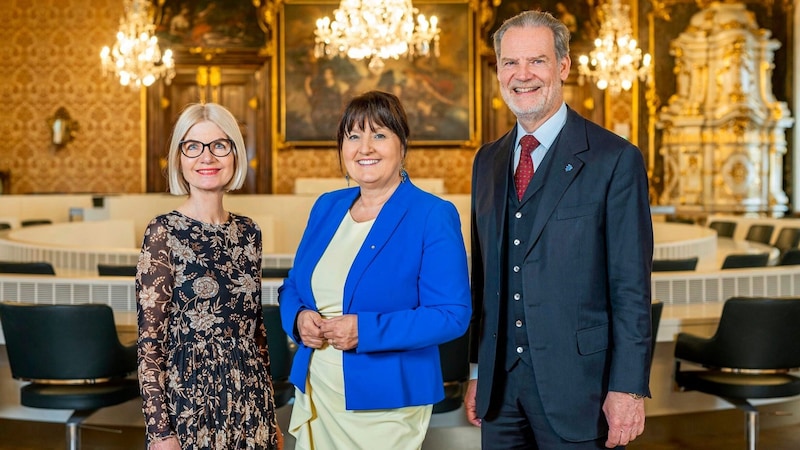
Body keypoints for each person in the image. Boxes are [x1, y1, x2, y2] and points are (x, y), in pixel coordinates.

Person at [465, 10, 654, 450]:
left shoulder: (614, 158)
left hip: (580, 388)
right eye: (510, 63)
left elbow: (631, 286)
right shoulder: (486, 161)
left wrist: (627, 389)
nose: (522, 75)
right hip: (500, 392)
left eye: (537, 61)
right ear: (498, 70)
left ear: (563, 66)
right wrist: (478, 370)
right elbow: (485, 280)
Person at [278, 90, 472, 450]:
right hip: (318, 389)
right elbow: (292, 285)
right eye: (353, 136)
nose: (365, 148)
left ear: (402, 145)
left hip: (387, 403)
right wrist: (299, 318)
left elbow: (452, 315)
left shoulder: (431, 214)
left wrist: (364, 330)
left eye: (379, 135)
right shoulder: (327, 207)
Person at [136, 103, 283, 450]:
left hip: (250, 402)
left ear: (234, 154)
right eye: (193, 147)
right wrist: (160, 433)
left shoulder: (250, 232)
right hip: (189, 404)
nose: (207, 157)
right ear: (180, 159)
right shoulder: (163, 232)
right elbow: (150, 345)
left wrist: (272, 416)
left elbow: (256, 334)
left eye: (220, 145)